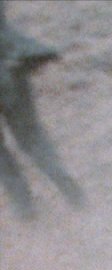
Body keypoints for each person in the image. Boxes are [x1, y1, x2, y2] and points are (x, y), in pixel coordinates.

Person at [0, 0, 85, 221]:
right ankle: (72, 193)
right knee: (32, 139)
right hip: (10, 67)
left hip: (8, 66)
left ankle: (26, 212)